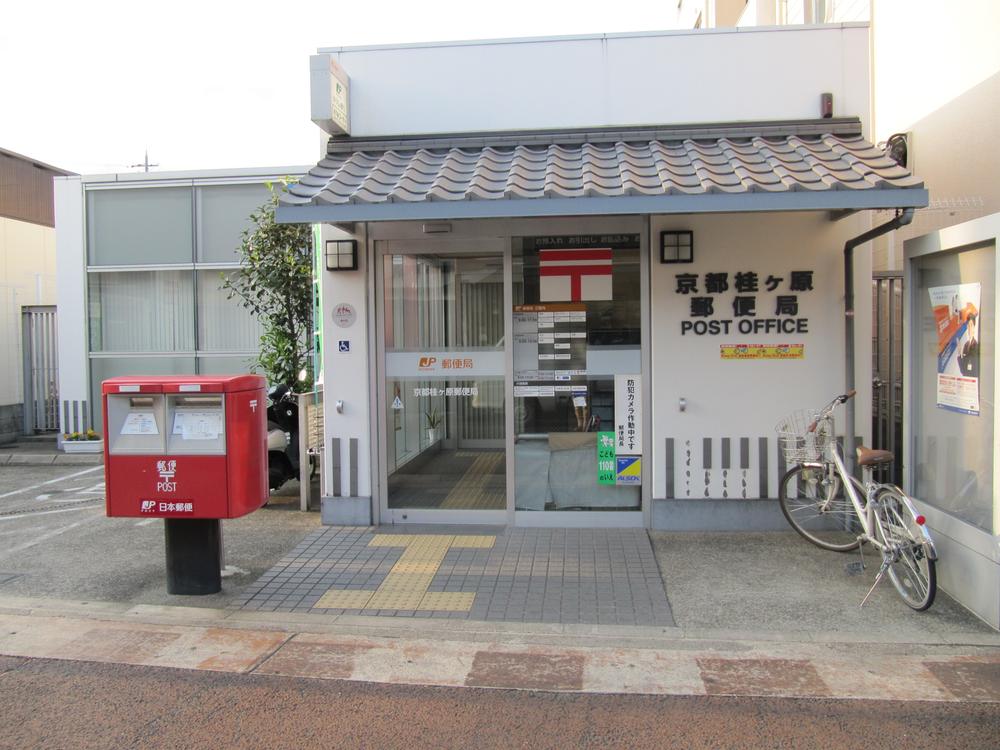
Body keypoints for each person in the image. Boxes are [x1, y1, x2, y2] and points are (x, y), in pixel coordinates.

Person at [957, 313, 980, 378]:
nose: (970, 328)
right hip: (966, 382)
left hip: (973, 382)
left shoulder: (976, 346)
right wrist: (959, 354)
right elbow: (963, 371)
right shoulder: (965, 345)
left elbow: (976, 371)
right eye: (968, 325)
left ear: (974, 327)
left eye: (971, 325)